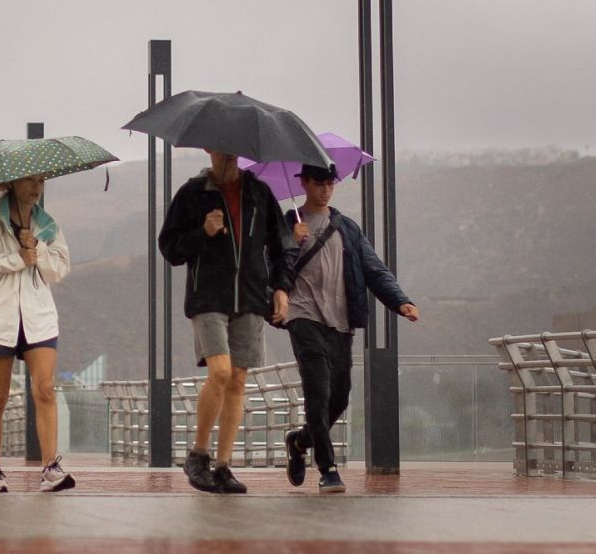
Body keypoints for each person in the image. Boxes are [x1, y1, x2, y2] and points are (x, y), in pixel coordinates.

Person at [158, 149, 293, 494]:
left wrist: (280, 288)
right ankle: (198, 455)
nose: (228, 156)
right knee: (219, 372)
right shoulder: (192, 194)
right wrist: (203, 232)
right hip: (208, 298)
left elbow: (281, 247)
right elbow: (170, 249)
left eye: (233, 150)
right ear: (209, 150)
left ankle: (223, 466)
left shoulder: (260, 194)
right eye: (221, 149)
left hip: (249, 298)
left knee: (237, 380)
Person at [281, 163, 418, 493]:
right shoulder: (287, 224)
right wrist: (290, 240)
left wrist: (400, 301)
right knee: (318, 393)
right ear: (303, 183)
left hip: (341, 321)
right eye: (319, 183)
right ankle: (328, 468)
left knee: (339, 397)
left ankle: (299, 442)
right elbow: (270, 267)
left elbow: (374, 269)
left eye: (331, 183)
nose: (326, 189)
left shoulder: (347, 228)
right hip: (303, 316)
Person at [0, 174, 75, 494]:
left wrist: (37, 249)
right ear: (11, 183)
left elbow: (60, 269)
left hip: (38, 318)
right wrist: (16, 259)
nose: (37, 187)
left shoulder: (48, 225)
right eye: (29, 181)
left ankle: (50, 468)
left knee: (45, 389)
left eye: (41, 181)